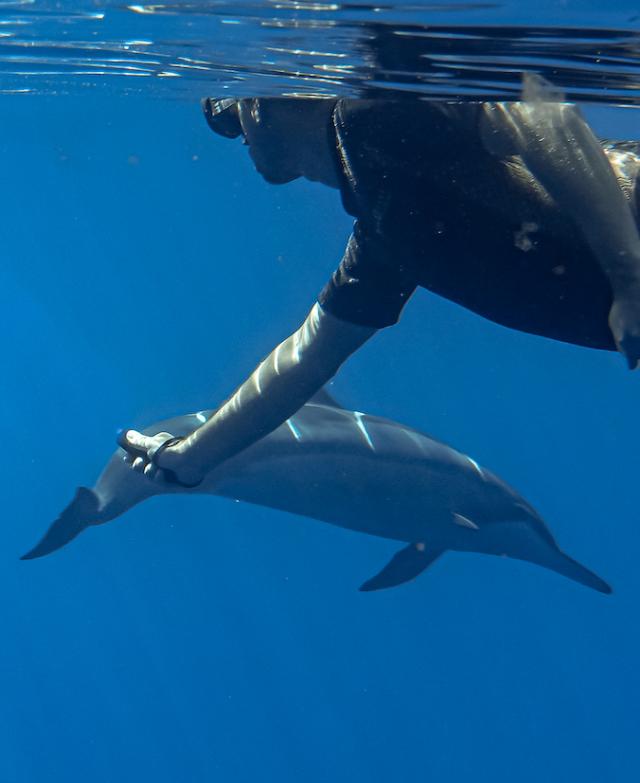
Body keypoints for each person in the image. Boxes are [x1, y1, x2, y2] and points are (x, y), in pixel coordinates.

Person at [120, 87, 640, 487]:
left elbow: (540, 113)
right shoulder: (385, 232)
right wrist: (189, 459)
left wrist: (625, 271)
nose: (235, 135)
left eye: (233, 119)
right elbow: (307, 357)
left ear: (262, 104)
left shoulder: (372, 116)